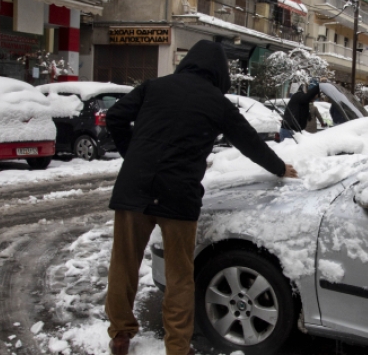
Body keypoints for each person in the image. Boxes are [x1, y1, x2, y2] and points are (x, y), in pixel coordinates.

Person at [103, 40, 298, 355]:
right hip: (178, 196)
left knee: (123, 265)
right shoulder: (217, 102)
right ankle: (177, 347)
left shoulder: (154, 86)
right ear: (219, 72)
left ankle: (121, 335)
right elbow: (248, 142)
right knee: (179, 275)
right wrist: (279, 168)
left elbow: (115, 117)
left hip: (133, 188)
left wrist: (133, 155)